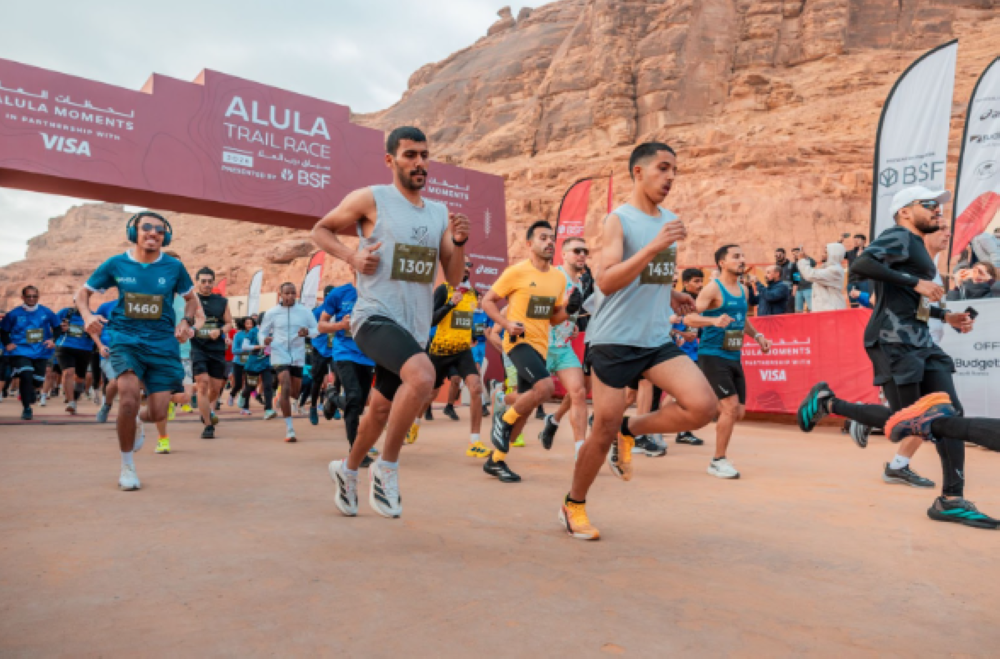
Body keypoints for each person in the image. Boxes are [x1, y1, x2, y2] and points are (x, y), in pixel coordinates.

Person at [797, 186, 1000, 529]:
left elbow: (909, 299)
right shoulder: (899, 236)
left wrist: (942, 317)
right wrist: (916, 283)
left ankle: (952, 499)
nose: (939, 211)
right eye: (931, 204)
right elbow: (860, 263)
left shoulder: (916, 248)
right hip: (893, 341)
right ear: (906, 211)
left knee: (949, 413)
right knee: (909, 422)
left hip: (920, 340)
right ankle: (829, 403)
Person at [560, 142, 717, 540]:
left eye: (674, 171)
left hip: (654, 338)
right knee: (602, 429)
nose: (670, 178)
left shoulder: (670, 221)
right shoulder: (619, 220)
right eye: (662, 169)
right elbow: (609, 280)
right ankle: (573, 504)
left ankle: (632, 431)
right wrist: (652, 247)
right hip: (613, 339)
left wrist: (670, 293)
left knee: (703, 406)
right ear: (638, 172)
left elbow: (651, 275)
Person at [312, 125, 469, 518]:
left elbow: (451, 277)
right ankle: (387, 467)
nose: (419, 163)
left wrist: (460, 244)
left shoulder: (438, 213)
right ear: (390, 160)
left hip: (412, 327)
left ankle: (347, 472)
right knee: (423, 376)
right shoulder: (371, 198)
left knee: (379, 411)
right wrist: (352, 258)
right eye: (410, 155)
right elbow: (320, 229)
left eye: (424, 155)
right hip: (373, 316)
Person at [75, 211, 204, 491]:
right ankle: (127, 466)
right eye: (146, 228)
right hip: (125, 339)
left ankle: (137, 422)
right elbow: (82, 294)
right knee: (129, 398)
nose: (153, 233)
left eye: (159, 230)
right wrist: (87, 317)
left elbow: (191, 300)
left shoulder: (173, 267)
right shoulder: (116, 264)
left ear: (165, 237)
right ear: (134, 233)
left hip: (162, 343)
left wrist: (185, 320)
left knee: (158, 413)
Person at [483, 220, 576, 483]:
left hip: (541, 346)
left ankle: (496, 461)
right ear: (529, 244)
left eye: (552, 238)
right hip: (518, 342)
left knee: (520, 421)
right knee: (546, 388)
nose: (549, 242)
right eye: (543, 237)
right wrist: (505, 324)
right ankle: (503, 417)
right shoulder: (516, 272)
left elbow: (553, 318)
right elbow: (487, 300)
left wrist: (569, 309)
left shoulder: (558, 278)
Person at [684, 245, 772, 479]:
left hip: (734, 355)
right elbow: (689, 317)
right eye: (736, 257)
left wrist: (758, 337)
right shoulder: (713, 289)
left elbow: (742, 321)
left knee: (737, 412)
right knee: (730, 407)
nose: (742, 260)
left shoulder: (742, 289)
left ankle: (685, 412)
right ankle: (718, 460)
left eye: (743, 256)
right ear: (722, 263)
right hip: (713, 355)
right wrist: (712, 322)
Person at [420, 260, 489, 457]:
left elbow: (465, 321)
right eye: (463, 263)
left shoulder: (473, 294)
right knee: (429, 394)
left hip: (462, 351)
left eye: (469, 265)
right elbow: (430, 319)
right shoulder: (443, 290)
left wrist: (473, 336)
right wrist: (451, 304)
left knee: (476, 388)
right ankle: (414, 422)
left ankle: (474, 442)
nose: (466, 267)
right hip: (440, 351)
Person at [537, 237, 591, 457]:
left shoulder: (578, 282)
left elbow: (568, 314)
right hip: (542, 344)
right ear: (564, 254)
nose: (582, 255)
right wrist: (564, 311)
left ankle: (580, 450)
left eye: (585, 252)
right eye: (577, 250)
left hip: (563, 347)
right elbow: (544, 312)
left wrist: (572, 326)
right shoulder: (553, 277)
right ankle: (501, 398)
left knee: (578, 392)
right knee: (529, 397)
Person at [318, 278, 378, 466]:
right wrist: (340, 326)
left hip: (368, 355)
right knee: (354, 397)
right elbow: (321, 325)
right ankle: (357, 452)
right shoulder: (339, 293)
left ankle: (333, 397)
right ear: (353, 267)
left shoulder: (380, 293)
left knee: (359, 405)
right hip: (345, 353)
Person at [259, 282, 319, 442]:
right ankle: (290, 429)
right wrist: (264, 339)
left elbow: (316, 330)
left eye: (293, 293)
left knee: (294, 392)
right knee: (285, 384)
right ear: (280, 294)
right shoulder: (272, 313)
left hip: (297, 355)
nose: (290, 296)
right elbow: (262, 331)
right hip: (279, 352)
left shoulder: (304, 312)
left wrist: (308, 332)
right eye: (287, 293)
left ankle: (283, 399)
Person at [0, 286, 61, 420]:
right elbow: (3, 331)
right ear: (23, 298)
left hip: (41, 351)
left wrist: (53, 340)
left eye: (35, 296)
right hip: (20, 350)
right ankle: (27, 408)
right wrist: (7, 344)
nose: (32, 299)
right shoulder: (13, 314)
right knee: (26, 375)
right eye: (29, 296)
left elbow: (57, 327)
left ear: (38, 297)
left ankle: (32, 390)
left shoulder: (47, 312)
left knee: (37, 381)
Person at [190, 267, 233, 439]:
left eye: (210, 281)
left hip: (216, 349)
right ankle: (208, 426)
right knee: (202, 384)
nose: (207, 284)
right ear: (197, 282)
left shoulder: (221, 301)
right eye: (203, 281)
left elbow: (230, 323)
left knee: (215, 389)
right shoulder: (191, 300)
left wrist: (221, 331)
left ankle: (207, 411)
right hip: (198, 347)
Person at [670, 268, 707, 446]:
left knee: (681, 395)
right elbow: (665, 324)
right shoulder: (678, 301)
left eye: (701, 281)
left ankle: (682, 431)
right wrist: (681, 335)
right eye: (696, 281)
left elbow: (695, 327)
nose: (700, 285)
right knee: (684, 394)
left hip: (693, 352)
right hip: (677, 353)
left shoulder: (699, 302)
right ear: (685, 283)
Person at [55, 302, 96, 414]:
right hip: (65, 346)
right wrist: (60, 327)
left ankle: (76, 393)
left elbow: (100, 332)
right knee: (68, 372)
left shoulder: (93, 315)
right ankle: (71, 402)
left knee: (80, 378)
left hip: (85, 349)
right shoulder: (65, 313)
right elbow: (51, 325)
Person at [307, 286, 336, 426]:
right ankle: (313, 407)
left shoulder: (340, 311)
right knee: (317, 381)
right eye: (329, 296)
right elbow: (311, 330)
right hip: (320, 349)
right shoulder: (318, 311)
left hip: (336, 350)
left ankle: (333, 404)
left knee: (339, 378)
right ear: (325, 297)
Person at [240, 319, 276, 419]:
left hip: (266, 362)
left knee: (268, 385)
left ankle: (268, 409)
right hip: (253, 362)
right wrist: (258, 346)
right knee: (250, 386)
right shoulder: (253, 331)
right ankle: (244, 403)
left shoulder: (272, 331)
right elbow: (244, 346)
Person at [795, 243, 847, 312]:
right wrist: (806, 259)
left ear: (833, 255)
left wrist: (802, 260)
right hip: (824, 310)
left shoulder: (835, 270)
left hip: (832, 310)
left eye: (825, 252)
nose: (822, 254)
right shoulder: (826, 268)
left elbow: (810, 275)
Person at [231, 317, 255, 413]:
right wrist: (246, 349)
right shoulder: (238, 335)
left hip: (250, 363)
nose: (249, 325)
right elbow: (234, 350)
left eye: (251, 323)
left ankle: (245, 408)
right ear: (243, 324)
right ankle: (232, 394)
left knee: (249, 385)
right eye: (247, 323)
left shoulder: (255, 335)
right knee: (238, 384)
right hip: (238, 363)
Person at [789, 247, 816, 312]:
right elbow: (795, 278)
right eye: (793, 254)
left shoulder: (807, 261)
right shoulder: (794, 265)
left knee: (812, 308)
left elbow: (814, 263)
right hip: (798, 290)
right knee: (798, 310)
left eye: (796, 253)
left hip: (808, 288)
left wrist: (805, 255)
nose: (795, 255)